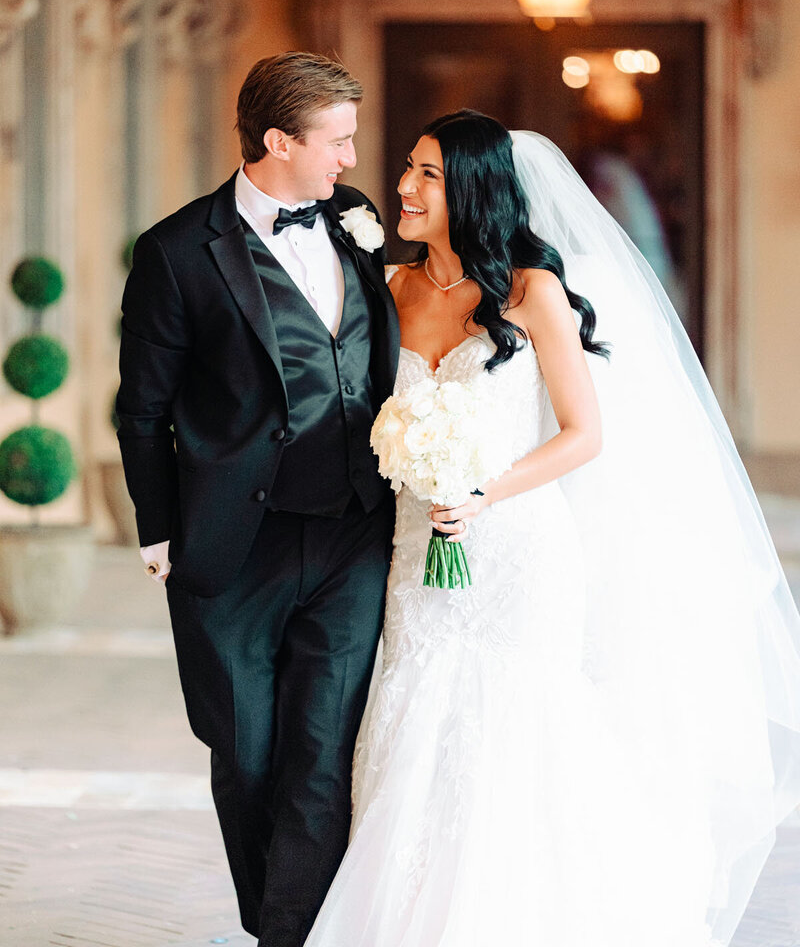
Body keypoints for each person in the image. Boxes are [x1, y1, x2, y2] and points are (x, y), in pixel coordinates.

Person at [304, 110, 800, 947]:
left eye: (426, 173)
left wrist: (483, 490)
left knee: (515, 735)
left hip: (517, 555)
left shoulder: (534, 291)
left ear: (471, 187)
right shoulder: (392, 289)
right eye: (410, 169)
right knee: (410, 725)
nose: (403, 186)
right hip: (417, 552)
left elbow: (583, 434)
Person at [115, 52, 399, 947]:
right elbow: (142, 409)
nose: (352, 161)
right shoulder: (174, 253)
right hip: (232, 546)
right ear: (279, 141)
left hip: (354, 534)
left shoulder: (356, 223)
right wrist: (159, 533)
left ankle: (292, 936)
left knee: (320, 758)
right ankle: (273, 919)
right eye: (337, 141)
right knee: (244, 757)